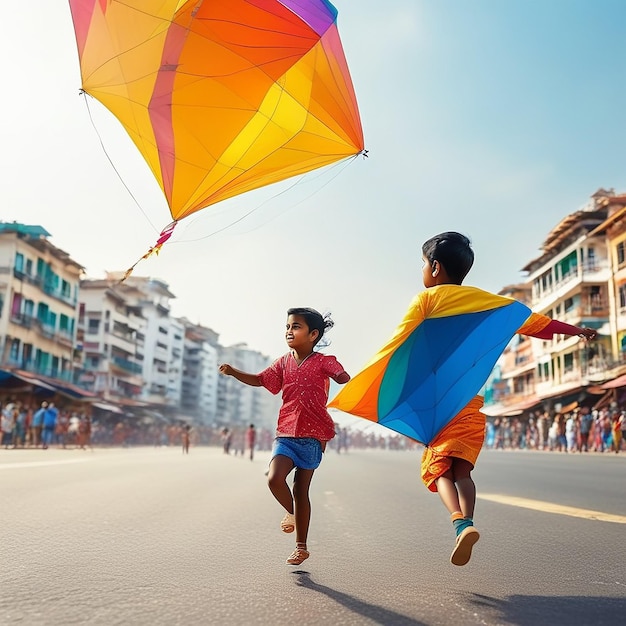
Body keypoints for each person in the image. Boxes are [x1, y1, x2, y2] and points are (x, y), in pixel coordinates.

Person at [330, 231, 596, 566]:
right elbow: (538, 325)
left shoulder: (426, 301)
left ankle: (459, 521)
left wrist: (360, 385)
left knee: (437, 469)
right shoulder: (492, 303)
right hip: (470, 407)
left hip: (440, 409)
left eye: (424, 264)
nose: (423, 271)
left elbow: (396, 345)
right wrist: (576, 330)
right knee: (463, 472)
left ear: (435, 268)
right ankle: (469, 521)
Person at [219, 307, 350, 566]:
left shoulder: (325, 361)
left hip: (314, 435)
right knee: (274, 478)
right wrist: (234, 372)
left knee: (302, 490)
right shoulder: (283, 362)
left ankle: (301, 547)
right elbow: (260, 380)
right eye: (288, 326)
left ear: (313, 334)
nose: (290, 331)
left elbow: (345, 379)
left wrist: (347, 378)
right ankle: (291, 513)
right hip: (286, 432)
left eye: (296, 327)